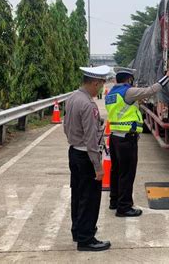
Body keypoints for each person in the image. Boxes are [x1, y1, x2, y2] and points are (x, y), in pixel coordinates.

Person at [105, 65, 169, 217]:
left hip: (115, 138)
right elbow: (151, 90)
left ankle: (114, 201)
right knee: (127, 174)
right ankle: (124, 207)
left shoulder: (111, 93)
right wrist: (167, 76)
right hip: (127, 139)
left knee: (115, 171)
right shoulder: (128, 91)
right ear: (129, 79)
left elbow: (125, 108)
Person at [63, 65, 111, 252]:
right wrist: (98, 167)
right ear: (93, 82)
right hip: (86, 156)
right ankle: (86, 238)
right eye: (99, 85)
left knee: (78, 195)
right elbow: (92, 139)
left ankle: (78, 231)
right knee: (90, 199)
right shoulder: (88, 105)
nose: (99, 89)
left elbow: (66, 126)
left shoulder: (73, 98)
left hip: (74, 152)